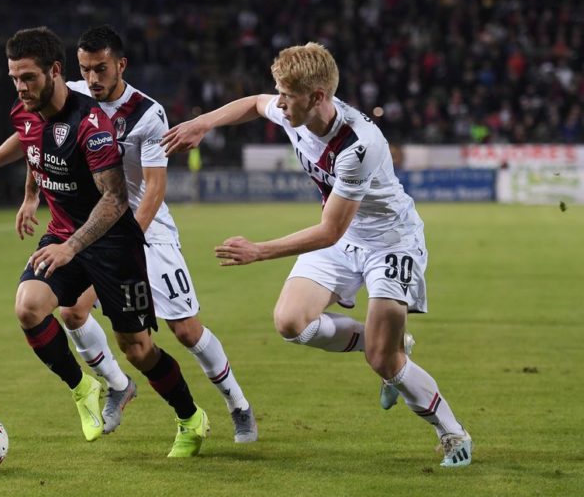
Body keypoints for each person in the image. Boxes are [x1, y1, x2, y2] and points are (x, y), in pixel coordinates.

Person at [161, 42, 472, 468]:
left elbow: (329, 230)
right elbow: (254, 103)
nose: (280, 103)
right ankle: (389, 342)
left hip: (390, 241)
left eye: (287, 95)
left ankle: (452, 433)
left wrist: (259, 250)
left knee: (383, 360)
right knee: (290, 322)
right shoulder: (295, 111)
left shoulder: (359, 145)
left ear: (318, 97)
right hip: (345, 237)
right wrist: (203, 123)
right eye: (280, 92)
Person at [0, 25, 257, 443]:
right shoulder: (71, 94)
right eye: (85, 69)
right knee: (71, 312)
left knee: (186, 331)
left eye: (101, 69)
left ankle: (237, 404)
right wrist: (27, 192)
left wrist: (123, 248)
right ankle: (117, 386)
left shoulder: (147, 114)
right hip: (91, 228)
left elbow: (152, 189)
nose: (93, 79)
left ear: (121, 65)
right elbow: (33, 137)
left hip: (145, 229)